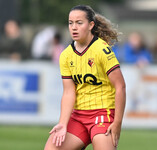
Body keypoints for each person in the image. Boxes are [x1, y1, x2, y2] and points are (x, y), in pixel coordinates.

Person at [44, 5, 126, 150]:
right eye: (71, 23)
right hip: (78, 117)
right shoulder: (66, 55)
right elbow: (69, 92)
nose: (74, 27)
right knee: (52, 148)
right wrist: (63, 123)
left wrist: (117, 122)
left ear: (91, 25)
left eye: (79, 23)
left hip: (102, 114)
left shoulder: (102, 50)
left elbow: (120, 87)